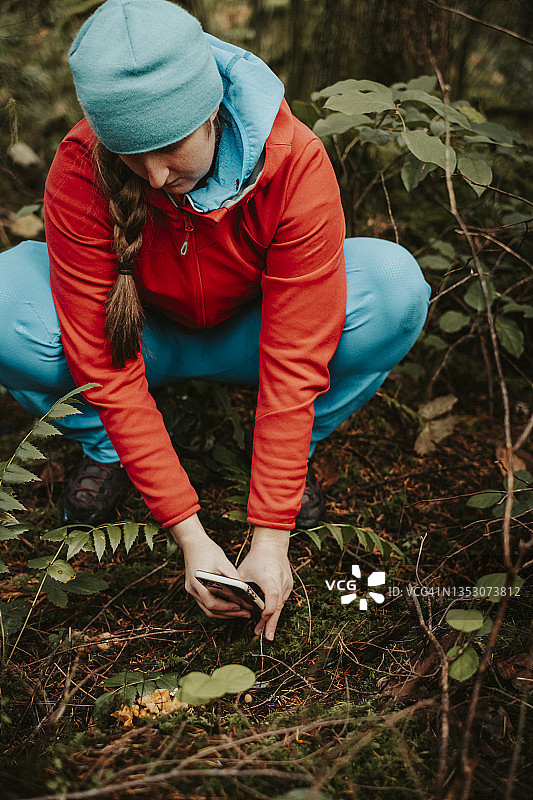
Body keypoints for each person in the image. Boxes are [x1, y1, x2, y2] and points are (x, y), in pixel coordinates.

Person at [0, 0, 431, 641]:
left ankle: (291, 454)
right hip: (140, 334)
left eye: (170, 147)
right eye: (130, 153)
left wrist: (270, 534)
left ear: (211, 111)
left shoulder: (294, 160)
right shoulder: (80, 168)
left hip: (251, 336)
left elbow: (295, 356)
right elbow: (104, 362)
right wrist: (190, 536)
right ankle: (108, 448)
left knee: (394, 286)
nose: (153, 175)